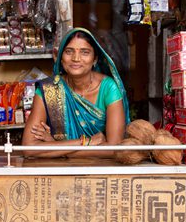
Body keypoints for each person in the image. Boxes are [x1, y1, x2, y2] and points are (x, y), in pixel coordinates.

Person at [22, 28, 128, 158]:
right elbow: (29, 148)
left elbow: (114, 149)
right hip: (58, 172)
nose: (76, 58)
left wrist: (55, 147)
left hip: (100, 170)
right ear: (60, 57)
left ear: (94, 59)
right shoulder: (48, 89)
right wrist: (86, 142)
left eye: (85, 52)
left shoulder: (108, 88)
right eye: (69, 51)